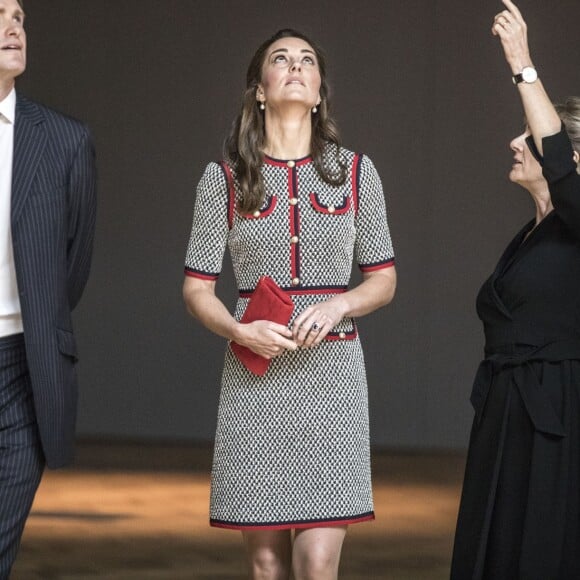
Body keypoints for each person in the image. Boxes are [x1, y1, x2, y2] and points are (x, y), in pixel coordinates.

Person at [183, 29, 396, 580]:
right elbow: (196, 290)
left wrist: (339, 304)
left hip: (333, 380)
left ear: (321, 90)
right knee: (265, 563)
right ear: (259, 88)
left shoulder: (356, 172)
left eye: (307, 61)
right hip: (257, 381)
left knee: (319, 564)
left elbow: (384, 280)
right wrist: (238, 330)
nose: (296, 67)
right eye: (281, 59)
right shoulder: (224, 179)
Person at [451, 1, 580, 578]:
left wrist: (523, 64)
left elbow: (559, 163)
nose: (513, 140)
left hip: (554, 416)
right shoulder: (534, 232)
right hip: (507, 416)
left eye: (526, 133)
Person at [0, 0, 97, 576]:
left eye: (18, 15)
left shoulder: (64, 141)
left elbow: (72, 266)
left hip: (24, 367)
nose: (12, 27)